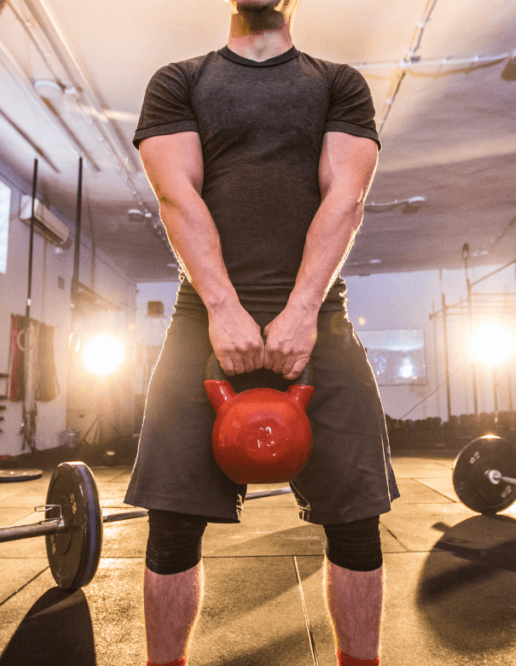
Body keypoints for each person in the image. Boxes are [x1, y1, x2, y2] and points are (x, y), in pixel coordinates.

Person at [126, 2, 398, 665]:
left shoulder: (337, 82)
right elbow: (176, 197)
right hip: (203, 319)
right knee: (172, 526)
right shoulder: (179, 80)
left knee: (357, 522)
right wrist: (222, 306)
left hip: (320, 321)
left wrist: (303, 309)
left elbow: (346, 200)